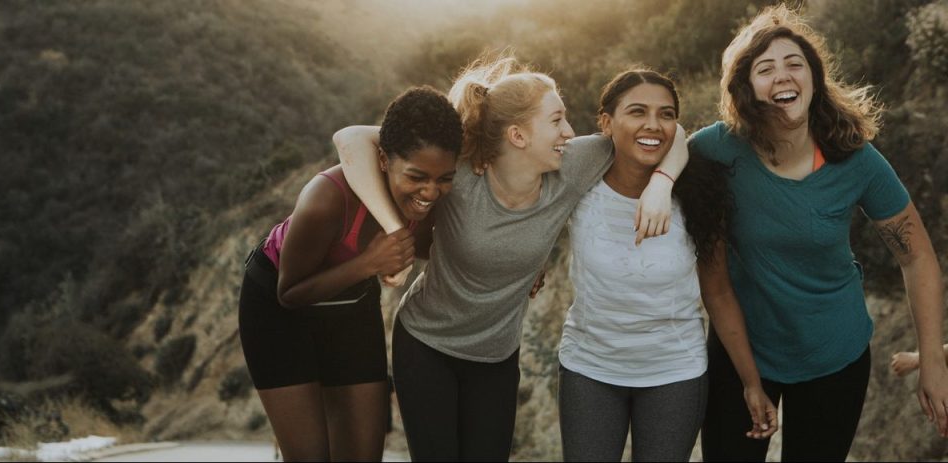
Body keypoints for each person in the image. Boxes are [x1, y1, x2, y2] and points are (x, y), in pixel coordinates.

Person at [332, 55, 687, 461]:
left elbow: (667, 134)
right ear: (518, 135)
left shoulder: (573, 165)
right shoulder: (460, 171)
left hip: (496, 357)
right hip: (427, 344)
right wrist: (395, 229)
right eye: (556, 121)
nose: (569, 132)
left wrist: (661, 184)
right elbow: (350, 139)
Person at [691, 5, 948, 461]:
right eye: (765, 69)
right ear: (746, 88)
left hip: (835, 355)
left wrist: (932, 361)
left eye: (795, 64)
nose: (783, 76)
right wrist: (657, 187)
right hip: (742, 351)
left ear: (814, 77)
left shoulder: (856, 159)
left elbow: (917, 256)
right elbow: (662, 147)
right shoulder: (719, 147)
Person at [557, 68, 777, 462]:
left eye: (666, 114)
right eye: (637, 112)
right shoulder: (579, 180)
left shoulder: (699, 195)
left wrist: (751, 382)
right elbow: (528, 210)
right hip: (589, 367)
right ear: (606, 122)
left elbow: (719, 292)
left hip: (674, 373)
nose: (653, 125)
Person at [237, 86, 462, 461]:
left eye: (444, 179)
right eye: (418, 176)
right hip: (277, 312)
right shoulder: (326, 198)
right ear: (385, 161)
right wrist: (368, 264)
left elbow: (440, 247)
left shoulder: (428, 200)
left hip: (351, 306)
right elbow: (289, 293)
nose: (430, 191)